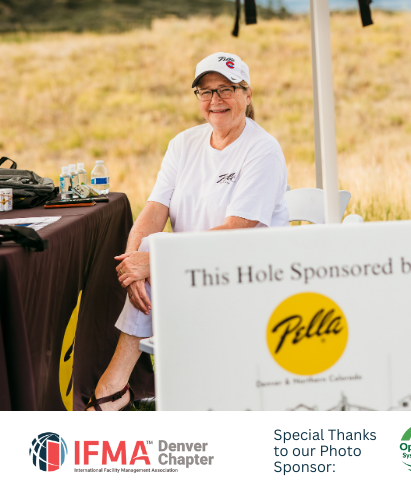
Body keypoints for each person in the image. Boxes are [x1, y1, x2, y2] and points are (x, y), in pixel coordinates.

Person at [85, 52, 289, 411]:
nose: (215, 100)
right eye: (205, 91)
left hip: (247, 272)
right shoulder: (184, 144)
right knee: (150, 243)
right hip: (190, 270)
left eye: (226, 89)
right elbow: (154, 209)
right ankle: (119, 388)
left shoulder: (262, 150)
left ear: (247, 94)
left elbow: (235, 231)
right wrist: (136, 263)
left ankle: (114, 387)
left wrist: (158, 262)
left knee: (157, 251)